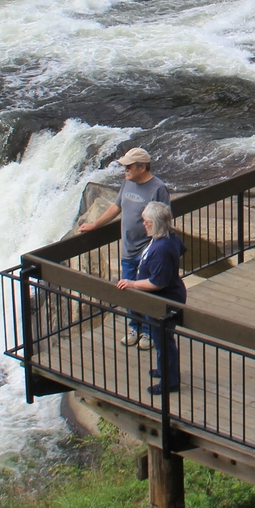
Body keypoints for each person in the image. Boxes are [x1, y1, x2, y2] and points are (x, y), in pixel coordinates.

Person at [78, 147, 169, 349]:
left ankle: (148, 331)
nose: (124, 170)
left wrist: (156, 248)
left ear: (142, 167)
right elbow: (116, 207)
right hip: (128, 250)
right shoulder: (128, 183)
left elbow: (163, 219)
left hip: (146, 252)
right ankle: (134, 327)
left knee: (145, 292)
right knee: (128, 290)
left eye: (128, 166)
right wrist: (94, 225)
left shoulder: (158, 188)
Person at [116, 201, 184, 394]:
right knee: (161, 338)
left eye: (146, 221)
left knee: (163, 341)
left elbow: (158, 283)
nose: (143, 223)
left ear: (156, 223)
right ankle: (164, 370)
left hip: (163, 301)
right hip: (161, 299)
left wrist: (132, 284)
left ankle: (170, 382)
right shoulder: (167, 237)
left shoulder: (162, 248)